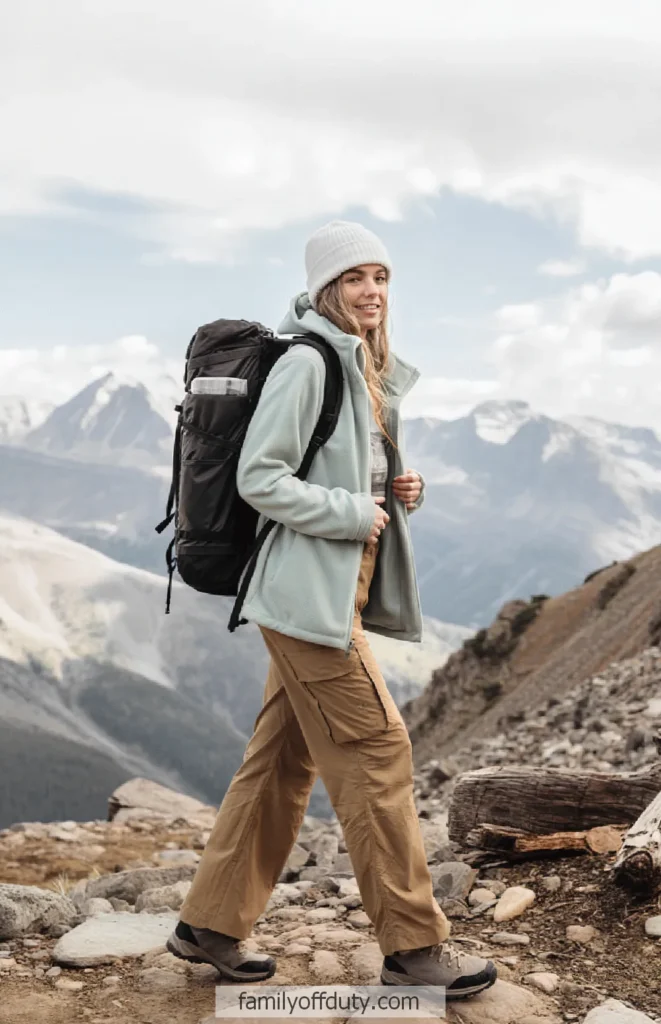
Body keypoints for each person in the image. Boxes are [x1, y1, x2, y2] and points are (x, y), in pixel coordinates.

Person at [167, 221, 497, 999]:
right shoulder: (310, 363)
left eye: (381, 276)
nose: (372, 291)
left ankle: (208, 925)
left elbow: (346, 473)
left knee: (281, 762)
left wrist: (394, 491)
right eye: (354, 278)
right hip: (304, 599)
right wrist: (353, 511)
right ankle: (413, 948)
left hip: (325, 595)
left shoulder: (362, 369)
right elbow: (261, 476)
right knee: (379, 752)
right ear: (326, 289)